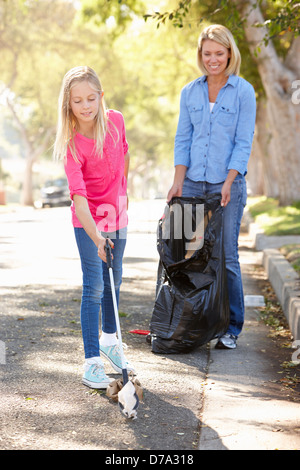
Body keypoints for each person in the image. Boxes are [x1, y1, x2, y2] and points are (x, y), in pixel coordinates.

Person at [167, 24, 256, 349]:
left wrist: (230, 181)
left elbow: (243, 141)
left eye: (219, 53)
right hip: (191, 182)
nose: (213, 59)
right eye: (207, 54)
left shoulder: (243, 91)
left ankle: (232, 327)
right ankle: (190, 320)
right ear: (200, 55)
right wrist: (178, 181)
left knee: (227, 255)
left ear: (229, 53)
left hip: (226, 184)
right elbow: (183, 138)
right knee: (187, 254)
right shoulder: (190, 91)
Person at [53, 66, 134, 388]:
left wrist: (122, 196)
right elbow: (79, 198)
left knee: (115, 280)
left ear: (101, 97)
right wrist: (96, 235)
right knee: (95, 286)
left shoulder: (116, 120)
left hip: (117, 214)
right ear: (68, 105)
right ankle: (91, 362)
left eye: (91, 98)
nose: (86, 106)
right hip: (87, 220)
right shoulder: (72, 144)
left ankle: (110, 341)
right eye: (77, 101)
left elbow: (124, 155)